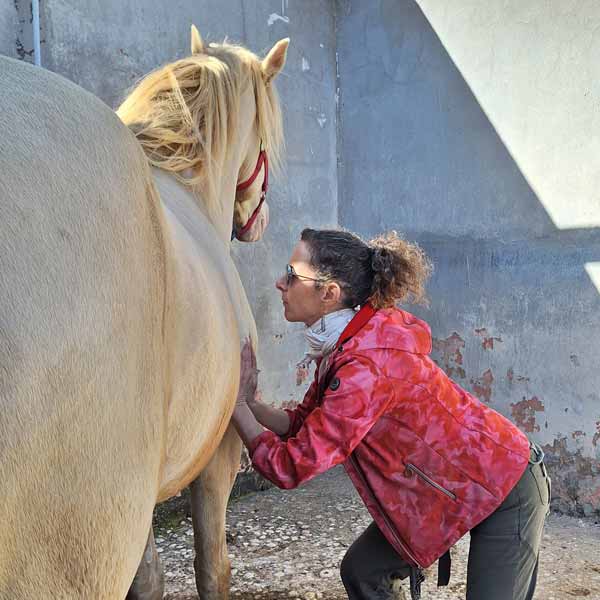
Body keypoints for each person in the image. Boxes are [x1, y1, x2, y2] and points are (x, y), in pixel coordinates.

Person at [231, 228, 550, 600]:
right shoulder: (351, 340)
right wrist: (254, 405)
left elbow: (291, 466)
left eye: (291, 274)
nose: (279, 283)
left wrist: (237, 410)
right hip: (443, 491)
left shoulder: (366, 366)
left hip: (506, 484)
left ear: (329, 293)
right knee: (364, 572)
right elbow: (306, 422)